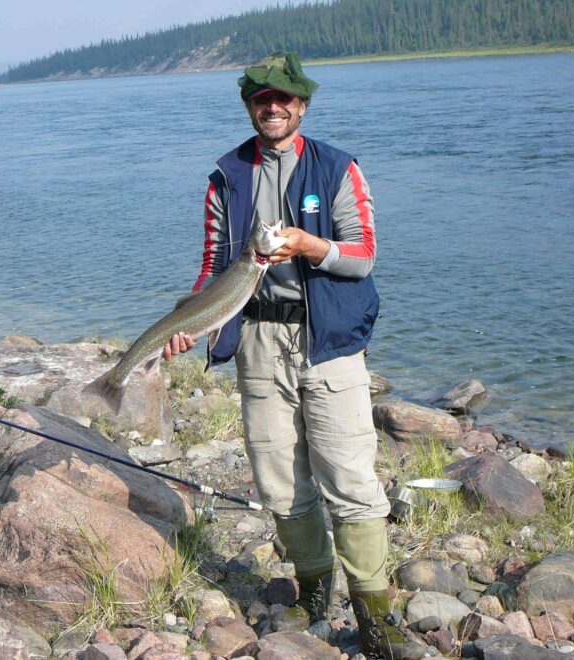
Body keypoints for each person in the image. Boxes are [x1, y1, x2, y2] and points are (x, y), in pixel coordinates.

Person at [163, 52, 425, 660]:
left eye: (284, 98)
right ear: (249, 107)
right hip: (257, 340)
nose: (273, 107)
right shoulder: (226, 176)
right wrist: (190, 322)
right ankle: (313, 592)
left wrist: (309, 246)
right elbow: (213, 264)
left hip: (329, 343)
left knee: (350, 478)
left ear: (302, 105)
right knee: (278, 479)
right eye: (262, 99)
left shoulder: (337, 167)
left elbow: (363, 255)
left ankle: (374, 614)